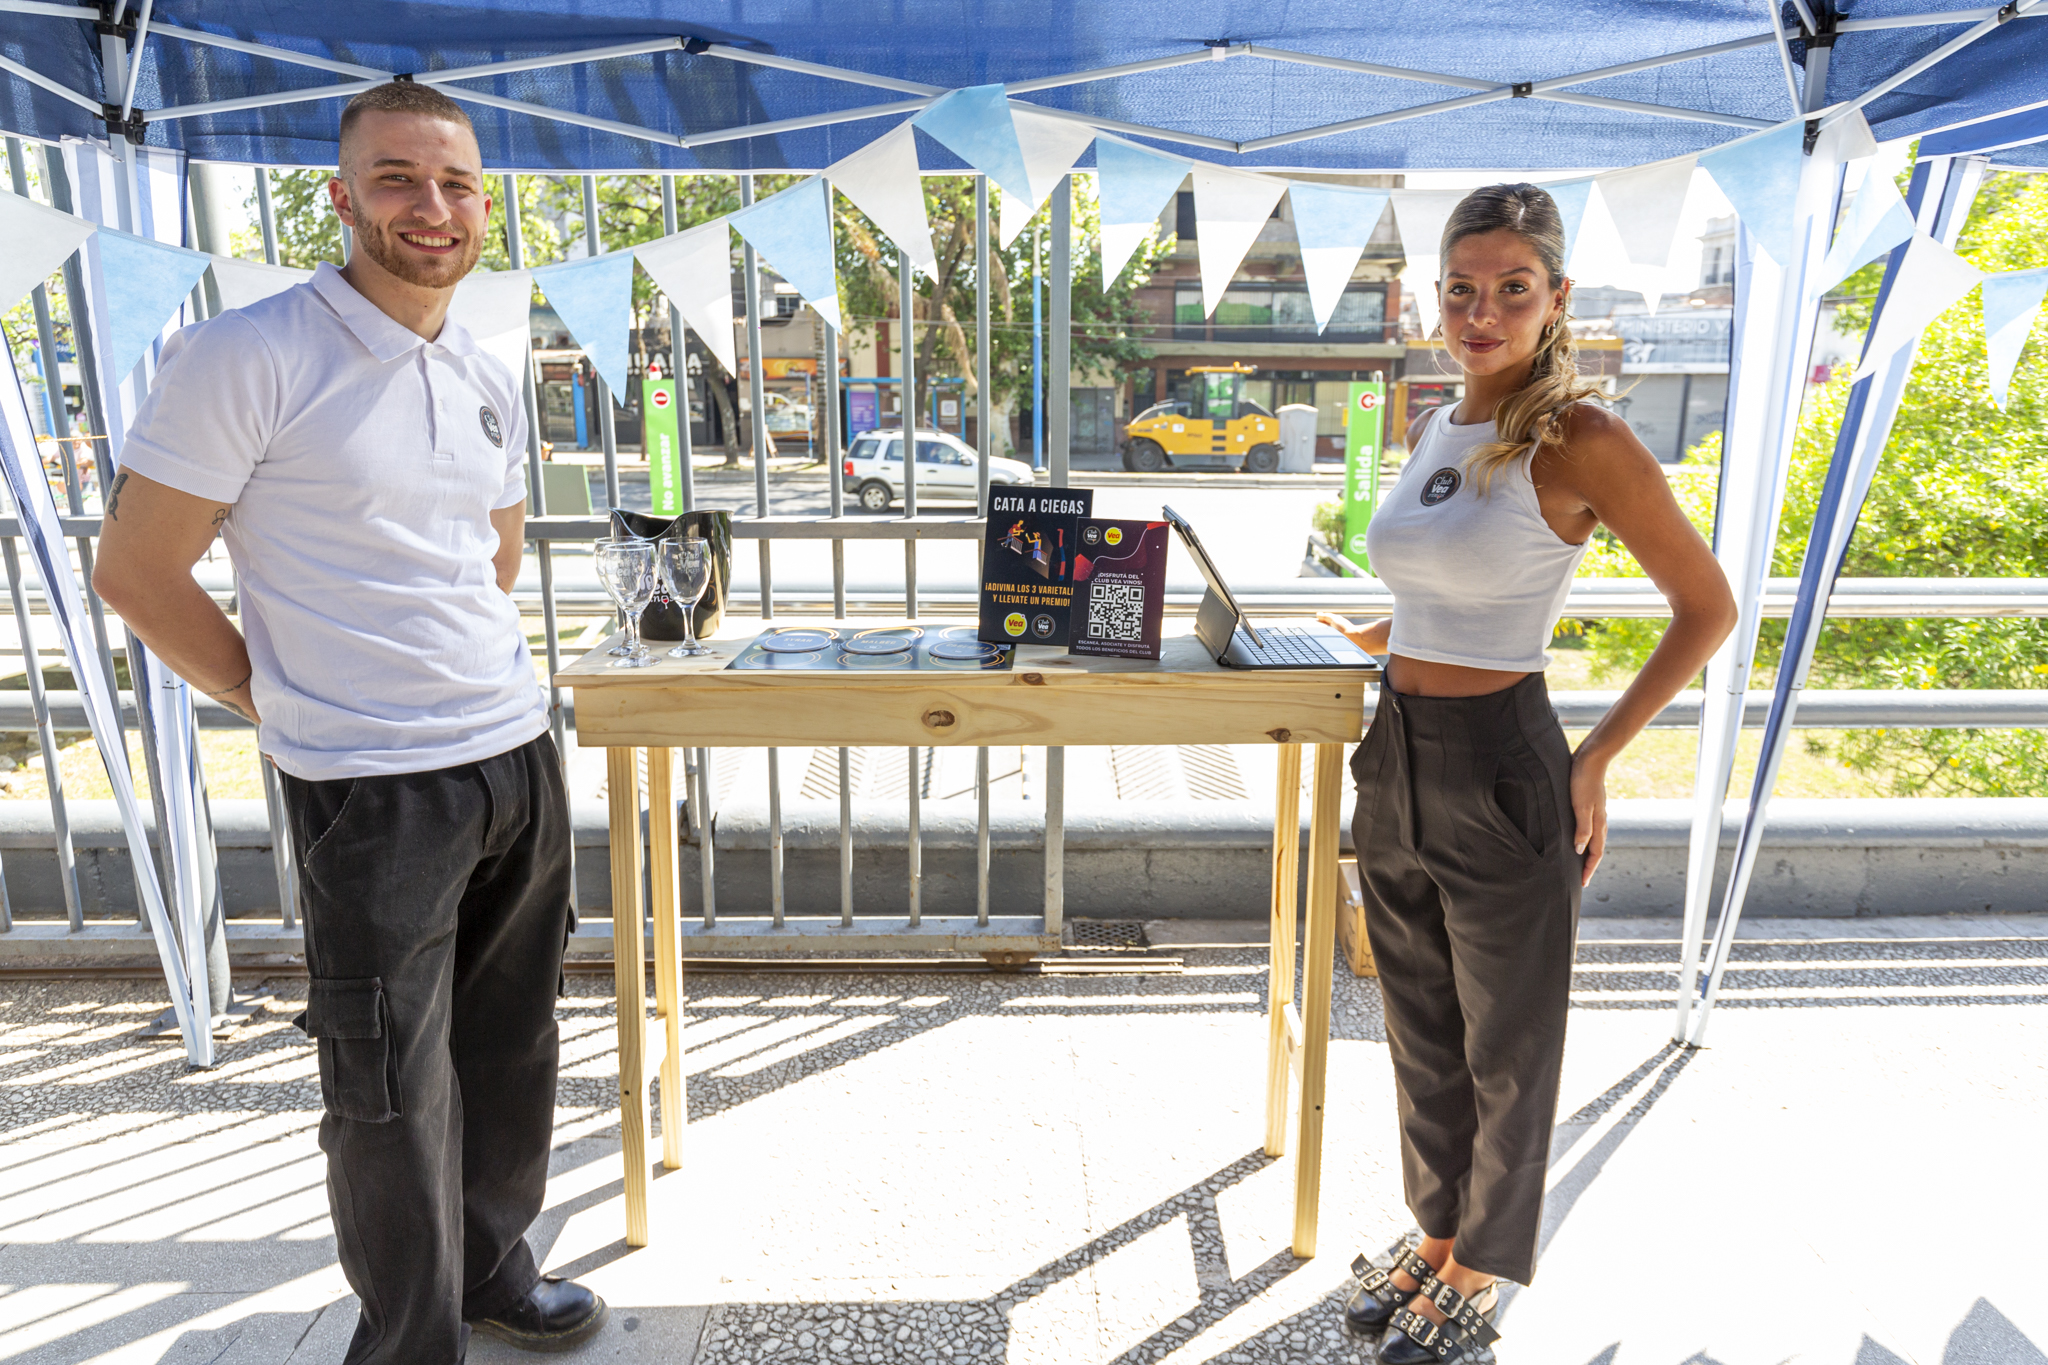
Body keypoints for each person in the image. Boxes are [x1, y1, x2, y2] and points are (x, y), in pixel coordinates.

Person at [94, 82, 605, 1363]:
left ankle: (490, 1273)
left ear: (483, 202)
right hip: (371, 786)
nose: (432, 207)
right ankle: (409, 1343)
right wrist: (270, 695)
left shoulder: (481, 361)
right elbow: (137, 573)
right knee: (386, 1087)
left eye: (456, 183)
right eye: (396, 178)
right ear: (339, 196)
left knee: (510, 1045)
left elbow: (490, 554)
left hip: (513, 754)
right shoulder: (249, 354)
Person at [1317, 184, 1736, 1364]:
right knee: (1419, 1024)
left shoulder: (1581, 438)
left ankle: (1483, 1265)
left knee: (1506, 1040)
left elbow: (1705, 608)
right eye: (1460, 289)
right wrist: (1354, 636)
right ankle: (1436, 1232)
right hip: (1394, 754)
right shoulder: (1437, 426)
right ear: (1432, 296)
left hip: (1502, 761)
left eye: (1511, 289)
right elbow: (1441, 593)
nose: (1480, 313)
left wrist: (1596, 754)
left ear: (1556, 299)